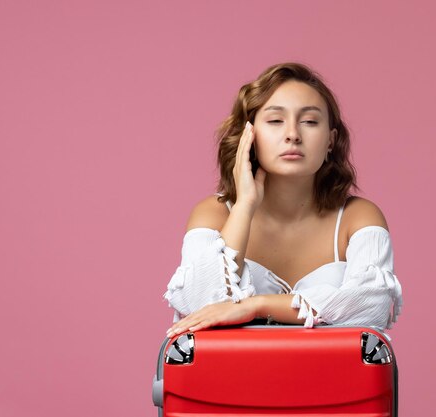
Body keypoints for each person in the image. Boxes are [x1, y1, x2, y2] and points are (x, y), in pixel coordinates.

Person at [164, 62, 402, 339]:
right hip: (231, 380)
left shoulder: (357, 217)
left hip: (334, 380)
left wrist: (256, 306)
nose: (293, 135)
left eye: (310, 121)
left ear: (330, 141)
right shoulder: (214, 214)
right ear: (248, 135)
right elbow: (200, 307)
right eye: (275, 121)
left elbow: (371, 307)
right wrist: (244, 207)